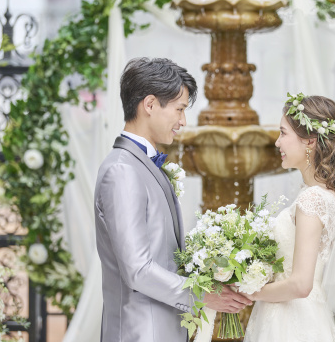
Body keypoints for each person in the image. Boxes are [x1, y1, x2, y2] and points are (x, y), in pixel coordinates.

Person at [94, 57, 252, 342]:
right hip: (140, 332)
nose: (183, 121)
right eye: (179, 109)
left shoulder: (142, 164)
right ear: (150, 104)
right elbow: (138, 270)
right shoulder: (122, 171)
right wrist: (202, 295)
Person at [243, 94, 335, 342]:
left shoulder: (312, 199)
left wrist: (250, 291)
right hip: (301, 316)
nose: (277, 143)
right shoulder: (324, 195)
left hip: (291, 324)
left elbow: (301, 284)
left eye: (283, 133)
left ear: (309, 141)